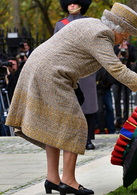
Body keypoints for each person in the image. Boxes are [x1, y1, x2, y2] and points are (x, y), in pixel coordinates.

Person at [5, 3, 137, 195]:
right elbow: (117, 69)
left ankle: (52, 178)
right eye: (125, 35)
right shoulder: (103, 35)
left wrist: (75, 87)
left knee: (53, 125)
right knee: (76, 124)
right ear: (116, 29)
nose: (123, 41)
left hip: (40, 68)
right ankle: (68, 181)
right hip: (49, 75)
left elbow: (68, 55)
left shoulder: (92, 24)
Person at [54, 0, 97, 150]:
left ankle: (87, 139)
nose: (71, 5)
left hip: (85, 68)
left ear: (81, 5)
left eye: (75, 3)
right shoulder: (60, 24)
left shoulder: (89, 22)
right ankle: (69, 137)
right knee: (68, 104)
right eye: (69, 3)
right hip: (66, 68)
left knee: (88, 106)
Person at [113, 39, 136, 127]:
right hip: (116, 76)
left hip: (126, 74)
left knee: (126, 97)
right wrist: (118, 49)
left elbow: (133, 58)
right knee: (116, 98)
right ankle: (118, 119)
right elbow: (112, 57)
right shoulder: (115, 46)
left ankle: (126, 118)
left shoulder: (131, 47)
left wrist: (127, 50)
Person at [96, 67, 116, 134]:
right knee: (99, 110)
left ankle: (111, 130)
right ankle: (100, 129)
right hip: (96, 88)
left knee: (109, 108)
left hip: (106, 87)